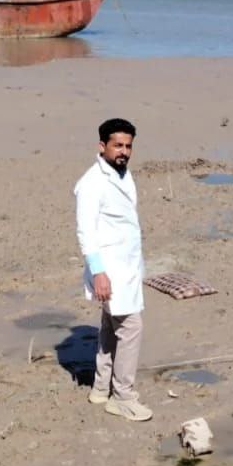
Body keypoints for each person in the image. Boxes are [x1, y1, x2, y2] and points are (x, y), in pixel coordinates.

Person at [74, 118, 152, 422]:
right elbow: (86, 231)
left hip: (126, 265)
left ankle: (101, 387)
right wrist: (99, 273)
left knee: (109, 326)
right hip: (109, 270)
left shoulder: (121, 173)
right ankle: (123, 397)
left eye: (128, 146)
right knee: (131, 328)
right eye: (117, 145)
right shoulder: (92, 184)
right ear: (102, 146)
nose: (124, 152)